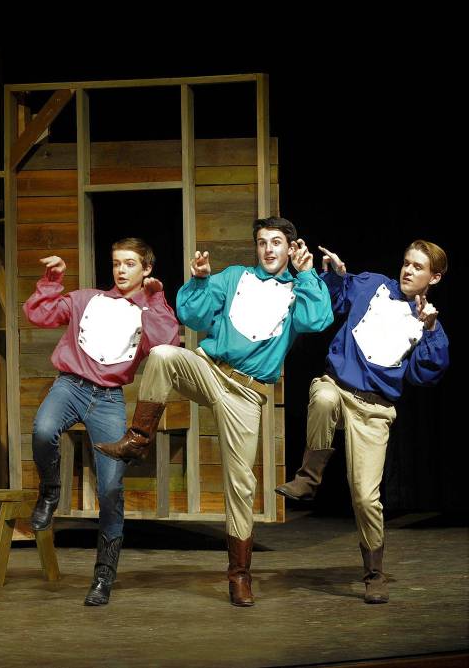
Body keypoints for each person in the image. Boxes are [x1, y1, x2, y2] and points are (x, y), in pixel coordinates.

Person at [96, 217, 334, 606]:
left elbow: (315, 320)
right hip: (208, 369)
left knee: (241, 485)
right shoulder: (235, 276)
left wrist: (307, 275)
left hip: (246, 392)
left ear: (291, 248)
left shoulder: (300, 288)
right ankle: (138, 438)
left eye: (276, 242)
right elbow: (192, 315)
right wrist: (202, 280)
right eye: (262, 242)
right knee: (163, 355)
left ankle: (239, 574)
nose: (269, 249)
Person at [275, 241, 449, 603]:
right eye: (406, 263)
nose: (408, 270)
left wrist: (429, 331)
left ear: (434, 277)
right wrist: (336, 274)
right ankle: (309, 477)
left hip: (374, 409)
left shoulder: (428, 321)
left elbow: (424, 374)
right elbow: (335, 299)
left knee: (366, 498)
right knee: (321, 396)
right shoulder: (372, 284)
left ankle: (374, 571)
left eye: (418, 267)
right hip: (337, 386)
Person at [23, 238, 179, 605]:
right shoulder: (86, 298)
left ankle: (103, 576)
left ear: (146, 269)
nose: (121, 270)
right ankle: (50, 492)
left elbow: (164, 343)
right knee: (43, 430)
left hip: (108, 400)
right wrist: (52, 278)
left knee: (111, 489)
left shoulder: (151, 310)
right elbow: (38, 314)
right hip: (70, 386)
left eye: (129, 263)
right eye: (116, 263)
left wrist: (155, 300)